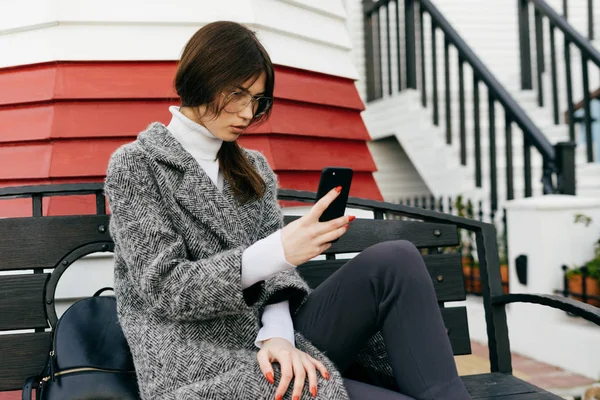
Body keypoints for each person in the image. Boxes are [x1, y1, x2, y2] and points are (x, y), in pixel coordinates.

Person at [104, 21, 471, 400]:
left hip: (274, 339)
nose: (248, 113)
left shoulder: (253, 169)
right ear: (200, 79)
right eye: (238, 95)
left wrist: (277, 336)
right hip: (203, 361)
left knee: (396, 259)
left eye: (257, 100)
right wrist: (278, 250)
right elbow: (168, 289)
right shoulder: (137, 166)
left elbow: (277, 281)